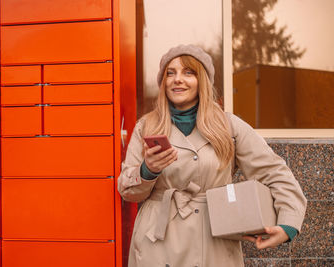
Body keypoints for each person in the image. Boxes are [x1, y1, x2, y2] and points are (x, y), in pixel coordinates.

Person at [117, 44, 307, 267]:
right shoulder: (146, 126)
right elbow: (127, 191)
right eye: (171, 73)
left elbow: (275, 173)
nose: (178, 79)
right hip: (157, 241)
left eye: (188, 72)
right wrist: (147, 170)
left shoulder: (228, 126)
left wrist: (288, 225)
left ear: (203, 81)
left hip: (213, 239)